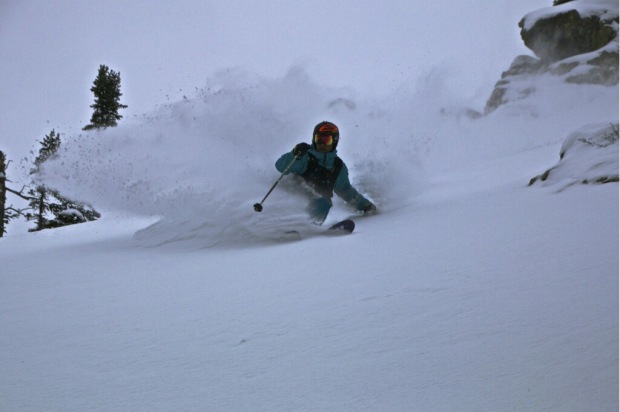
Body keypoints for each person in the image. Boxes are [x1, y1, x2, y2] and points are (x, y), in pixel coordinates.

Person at [275, 121, 376, 224]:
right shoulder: (305, 157)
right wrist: (295, 153)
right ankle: (292, 224)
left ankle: (307, 227)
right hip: (294, 195)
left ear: (334, 142)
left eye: (326, 140)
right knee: (322, 201)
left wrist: (365, 206)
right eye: (319, 139)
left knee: (324, 202)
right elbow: (280, 167)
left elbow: (346, 191)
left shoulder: (337, 167)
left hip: (317, 205)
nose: (322, 144)